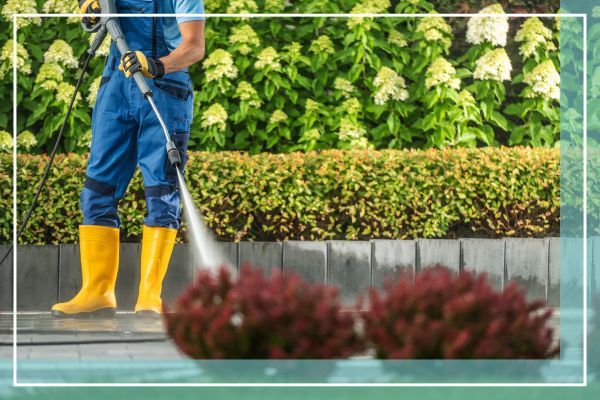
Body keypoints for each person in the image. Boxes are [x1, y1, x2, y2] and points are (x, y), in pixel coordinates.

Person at [51, 0, 205, 317]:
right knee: (97, 189)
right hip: (116, 86)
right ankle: (97, 291)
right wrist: (89, 8)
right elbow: (92, 15)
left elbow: (194, 47)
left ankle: (149, 296)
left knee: (161, 192)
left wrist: (157, 64)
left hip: (165, 88)